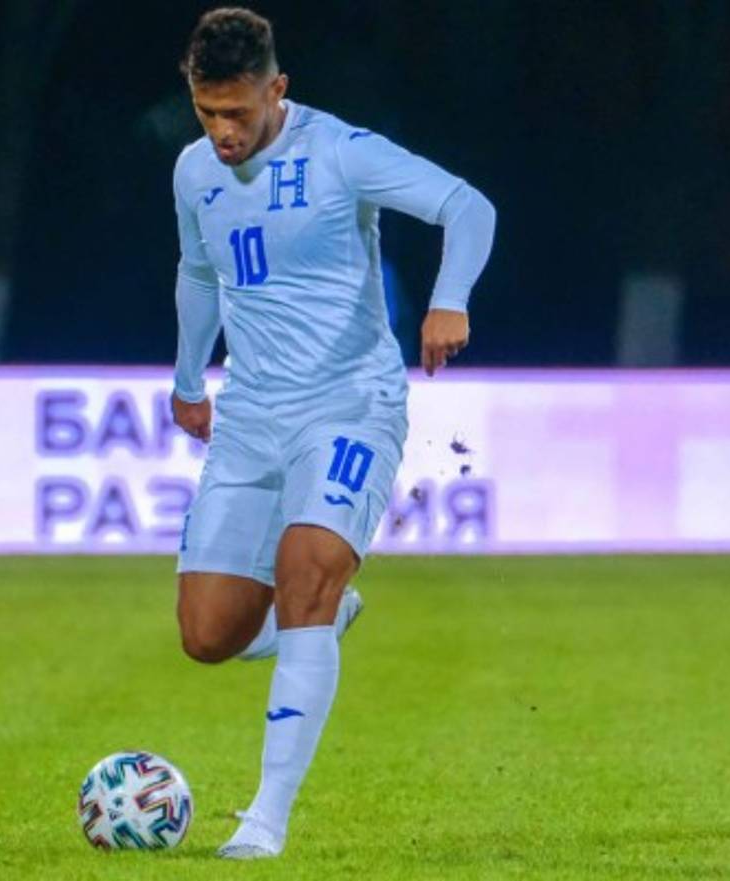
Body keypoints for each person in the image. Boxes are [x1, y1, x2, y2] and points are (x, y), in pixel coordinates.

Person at [169, 8, 496, 859]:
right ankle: (319, 614)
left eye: (238, 112)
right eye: (207, 111)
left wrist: (449, 299)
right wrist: (187, 379)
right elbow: (198, 273)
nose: (223, 131)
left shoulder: (341, 153)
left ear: (277, 89)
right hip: (249, 416)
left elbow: (468, 206)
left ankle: (264, 820)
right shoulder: (193, 171)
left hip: (349, 405)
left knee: (304, 573)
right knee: (206, 634)